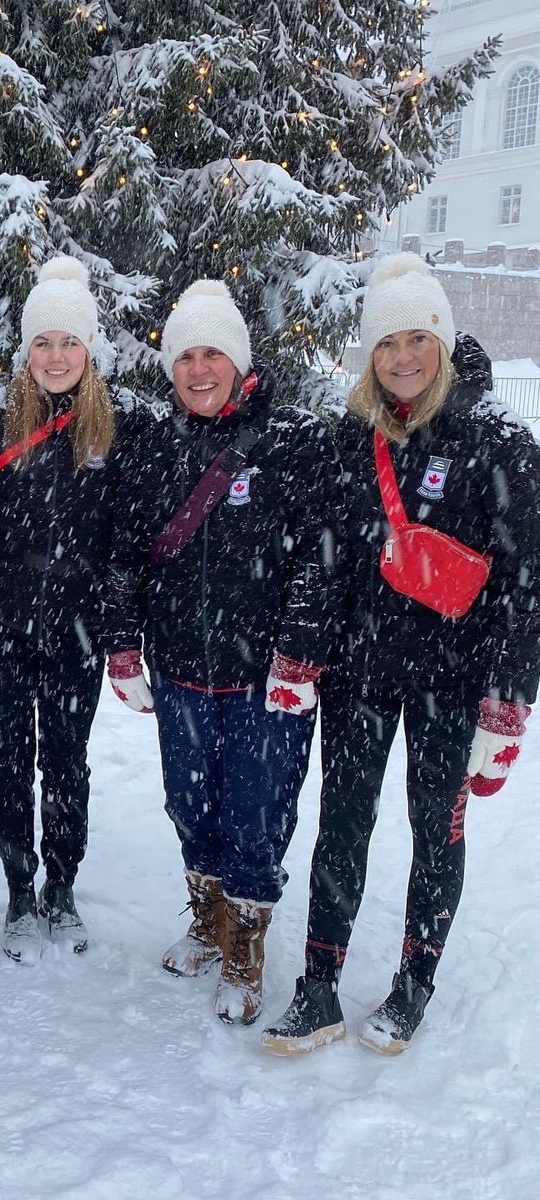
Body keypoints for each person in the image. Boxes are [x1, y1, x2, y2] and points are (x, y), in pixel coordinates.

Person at [263, 253, 540, 1056]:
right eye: (388, 342)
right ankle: (318, 988)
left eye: (419, 337)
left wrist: (507, 703)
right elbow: (324, 558)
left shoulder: (498, 440)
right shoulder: (354, 438)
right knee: (341, 827)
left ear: (443, 343)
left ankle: (413, 983)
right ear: (370, 353)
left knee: (435, 833)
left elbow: (527, 580)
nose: (403, 356)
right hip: (359, 678)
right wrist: (299, 659)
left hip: (454, 686)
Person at [103, 280, 342, 1024]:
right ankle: (208, 918)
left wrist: (298, 653)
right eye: (185, 357)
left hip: (267, 681)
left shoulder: (292, 441)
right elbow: (125, 554)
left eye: (213, 354)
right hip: (180, 673)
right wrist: (120, 643)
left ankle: (247, 944)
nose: (199, 370)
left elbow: (322, 555)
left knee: (257, 811)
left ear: (239, 362)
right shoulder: (154, 447)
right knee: (189, 803)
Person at [0, 256, 125, 964]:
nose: (56, 357)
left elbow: (132, 533)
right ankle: (18, 889)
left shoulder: (116, 429)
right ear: (25, 351)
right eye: (43, 343)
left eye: (69, 343)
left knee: (66, 759)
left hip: (75, 624)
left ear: (88, 351)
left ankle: (62, 884)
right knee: (6, 760)